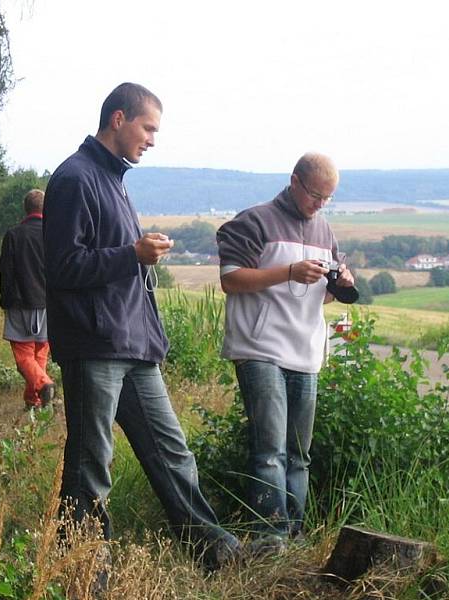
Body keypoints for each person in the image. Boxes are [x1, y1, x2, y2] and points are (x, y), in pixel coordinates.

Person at [43, 82, 241, 570]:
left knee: (173, 454)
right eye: (148, 127)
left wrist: (136, 256)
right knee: (92, 462)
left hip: (134, 345)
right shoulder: (74, 178)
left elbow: (108, 263)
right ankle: (86, 566)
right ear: (118, 119)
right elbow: (64, 267)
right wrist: (132, 253)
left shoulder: (113, 179)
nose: (152, 139)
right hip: (94, 345)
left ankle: (214, 550)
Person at [216, 152, 355, 550]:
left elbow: (321, 299)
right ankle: (269, 538)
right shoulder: (254, 221)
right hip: (259, 347)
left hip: (305, 350)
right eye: (315, 195)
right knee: (270, 451)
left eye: (328, 198)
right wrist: (289, 272)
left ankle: (294, 537)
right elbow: (231, 280)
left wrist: (340, 282)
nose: (320, 205)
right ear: (294, 181)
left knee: (299, 454)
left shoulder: (325, 231)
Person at [0, 189, 55, 409]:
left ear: (25, 208)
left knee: (24, 357)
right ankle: (34, 399)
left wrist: (6, 302)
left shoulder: (13, 235)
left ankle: (44, 383)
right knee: (40, 353)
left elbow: (6, 271)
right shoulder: (54, 234)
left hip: (21, 303)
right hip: (49, 304)